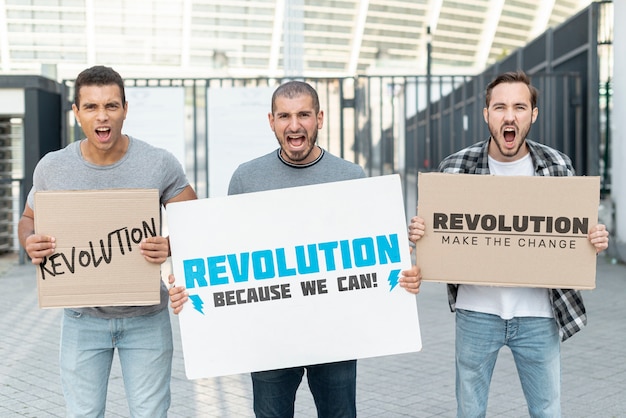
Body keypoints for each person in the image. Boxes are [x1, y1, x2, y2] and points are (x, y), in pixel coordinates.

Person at [169, 80, 422, 418]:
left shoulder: (351, 177)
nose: (294, 125)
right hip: (270, 338)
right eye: (284, 116)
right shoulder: (246, 179)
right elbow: (230, 257)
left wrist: (403, 278)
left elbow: (373, 257)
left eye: (303, 114)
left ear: (319, 118)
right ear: (271, 121)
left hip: (336, 335)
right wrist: (189, 289)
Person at [408, 70, 609, 418]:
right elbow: (436, 236)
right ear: (487, 114)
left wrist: (595, 239)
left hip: (538, 315)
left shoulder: (558, 166)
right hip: (477, 313)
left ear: (533, 114)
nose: (509, 116)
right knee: (469, 412)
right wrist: (419, 235)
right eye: (500, 107)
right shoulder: (454, 168)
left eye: (519, 106)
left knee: (547, 411)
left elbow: (578, 232)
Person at [18, 65, 197, 417]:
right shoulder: (52, 169)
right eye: (92, 107)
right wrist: (29, 241)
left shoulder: (157, 163)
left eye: (111, 106)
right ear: (76, 113)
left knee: (150, 414)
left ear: (125, 109)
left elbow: (195, 221)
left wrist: (172, 244)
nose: (103, 116)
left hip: (147, 318)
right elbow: (28, 220)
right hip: (82, 319)